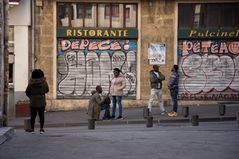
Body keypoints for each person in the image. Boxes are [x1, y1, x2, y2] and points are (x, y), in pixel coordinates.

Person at [25, 69, 49, 134]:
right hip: (42, 102)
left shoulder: (31, 83)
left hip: (33, 102)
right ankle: (41, 129)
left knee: (33, 116)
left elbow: (27, 91)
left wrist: (31, 97)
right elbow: (47, 90)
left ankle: (32, 129)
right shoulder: (44, 82)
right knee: (41, 115)